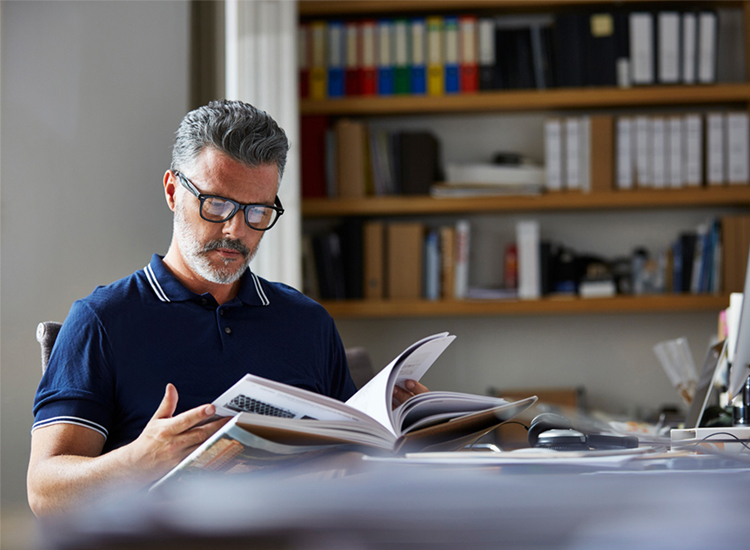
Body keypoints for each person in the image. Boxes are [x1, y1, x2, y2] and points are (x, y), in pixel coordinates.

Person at [27, 99, 427, 516]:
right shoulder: (102, 320)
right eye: (216, 204)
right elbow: (44, 492)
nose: (236, 231)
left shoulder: (307, 322)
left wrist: (401, 433)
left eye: (258, 211)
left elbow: (354, 464)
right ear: (171, 192)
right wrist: (136, 463)